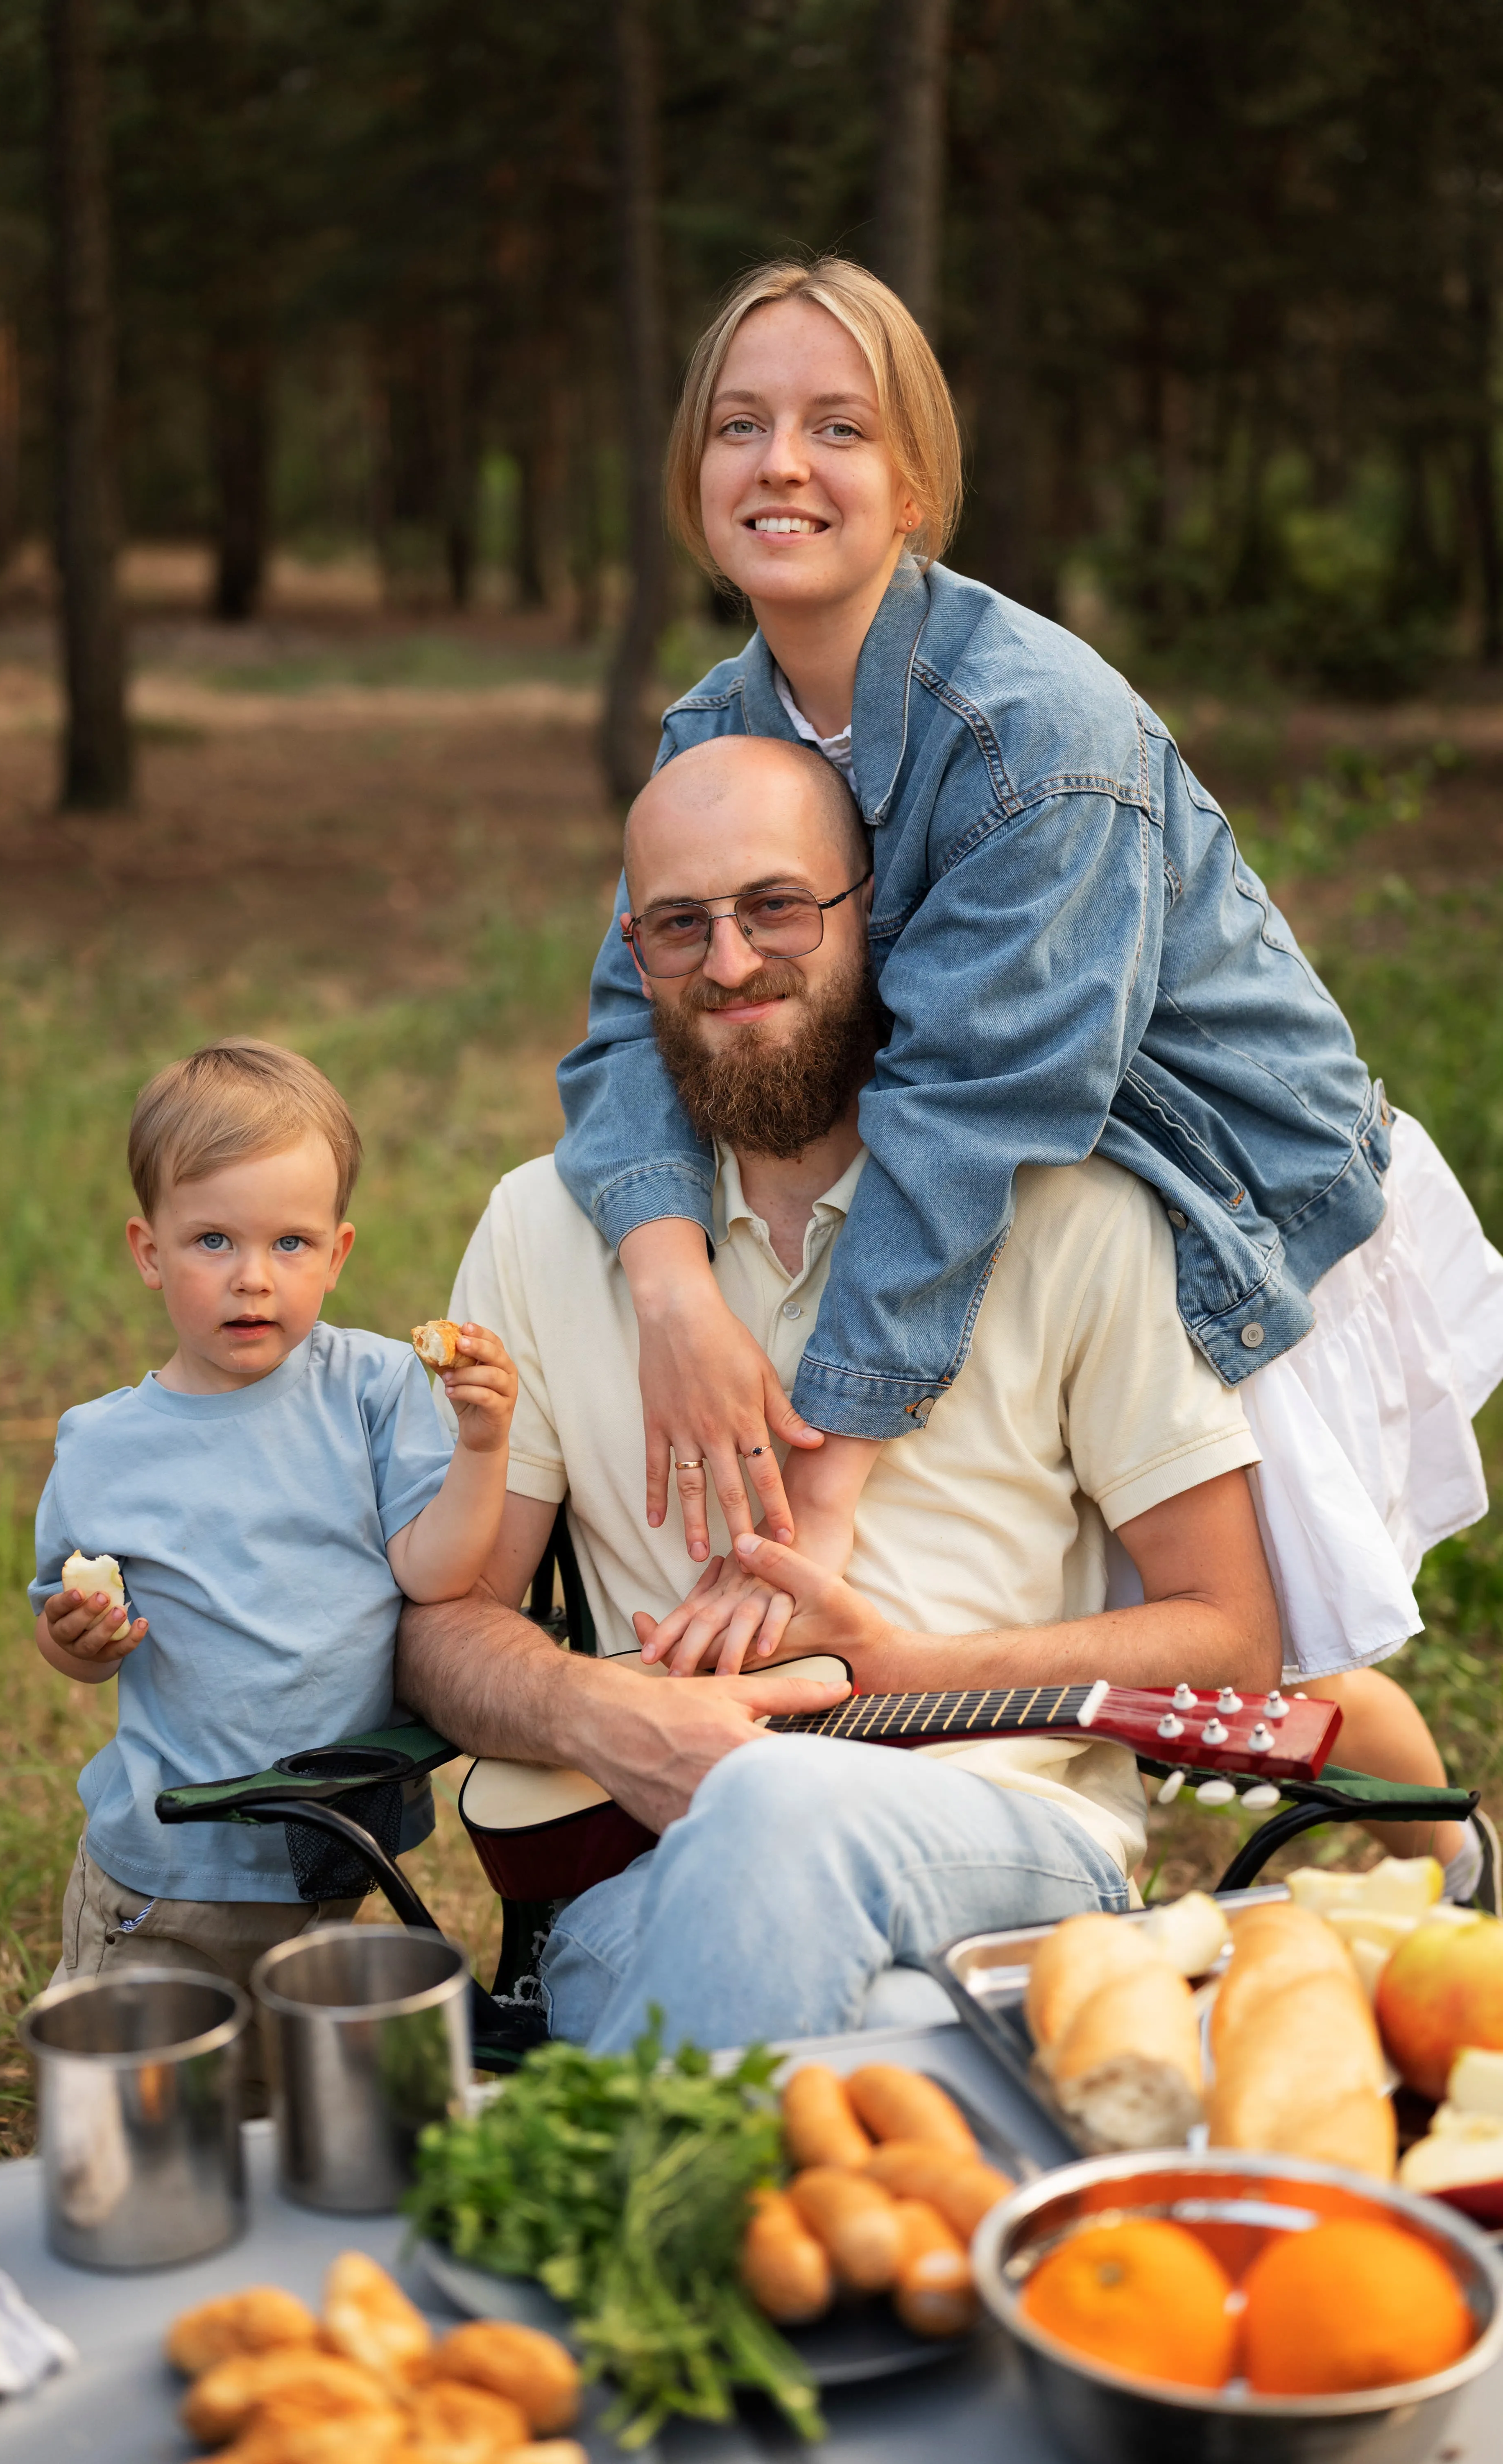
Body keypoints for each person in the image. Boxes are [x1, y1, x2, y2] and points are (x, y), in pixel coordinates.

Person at [555, 254, 1503, 1898]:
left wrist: (826, 1490)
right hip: (1031, 1186)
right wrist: (668, 1285)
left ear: (910, 481)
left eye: (835, 426)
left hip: (1216, 1191)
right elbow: (621, 1009)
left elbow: (965, 1117)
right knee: (1044, 1593)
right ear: (688, 476)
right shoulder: (720, 719)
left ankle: (1439, 1874)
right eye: (738, 425)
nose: (780, 464)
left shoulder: (1026, 732)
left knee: (1234, 1662)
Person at [397, 734, 1287, 2051]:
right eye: (679, 927)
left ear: (875, 913)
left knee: (779, 1810)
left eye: (777, 907)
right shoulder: (540, 1230)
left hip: (1016, 1851)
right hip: (646, 1881)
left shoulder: (1074, 1216)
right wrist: (604, 1711)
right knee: (899, 2034)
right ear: (631, 953)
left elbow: (1231, 1639)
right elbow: (441, 1619)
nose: (732, 962)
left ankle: (639, 2216)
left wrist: (919, 1671)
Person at [27, 1037, 518, 2035]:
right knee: (148, 2077)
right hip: (173, 1863)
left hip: (329, 1839)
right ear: (148, 1251)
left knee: (287, 2077)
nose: (254, 1278)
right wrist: (73, 1638)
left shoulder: (375, 1390)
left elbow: (434, 1572)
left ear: (337, 1254)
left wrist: (483, 1442)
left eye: (288, 1243)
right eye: (213, 1241)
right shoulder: (106, 1447)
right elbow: (63, 1623)